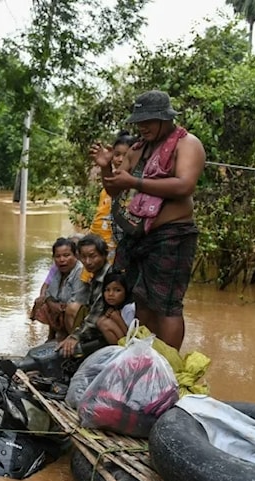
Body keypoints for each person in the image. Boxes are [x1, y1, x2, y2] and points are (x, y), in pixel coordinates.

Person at [90, 90, 205, 351]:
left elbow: (184, 186)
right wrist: (106, 167)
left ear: (166, 118)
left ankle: (169, 366)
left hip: (172, 235)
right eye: (139, 121)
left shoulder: (187, 144)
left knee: (167, 305)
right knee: (142, 299)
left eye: (149, 121)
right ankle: (146, 359)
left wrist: (134, 182)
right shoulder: (138, 149)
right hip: (139, 235)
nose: (142, 127)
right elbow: (114, 189)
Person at [59, 234, 111, 357]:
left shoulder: (108, 278)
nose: (88, 262)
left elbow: (96, 314)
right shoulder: (96, 275)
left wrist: (75, 336)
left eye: (93, 256)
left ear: (104, 255)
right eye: (83, 257)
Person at [89, 131, 137, 261]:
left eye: (126, 155)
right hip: (101, 249)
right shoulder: (108, 186)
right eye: (117, 155)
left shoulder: (138, 185)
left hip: (126, 251)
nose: (120, 159)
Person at [30, 237, 85, 341]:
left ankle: (73, 339)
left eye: (66, 255)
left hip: (76, 312)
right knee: (42, 303)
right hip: (60, 306)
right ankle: (53, 336)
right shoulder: (57, 269)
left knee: (70, 309)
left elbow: (76, 300)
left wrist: (57, 305)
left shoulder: (80, 271)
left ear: (75, 256)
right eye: (58, 256)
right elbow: (48, 291)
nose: (62, 260)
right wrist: (51, 303)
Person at [96, 271, 135, 345]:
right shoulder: (113, 308)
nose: (110, 294)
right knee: (101, 320)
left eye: (117, 290)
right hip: (125, 340)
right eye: (107, 290)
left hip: (132, 344)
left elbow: (131, 335)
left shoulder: (129, 308)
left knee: (105, 324)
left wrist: (117, 318)